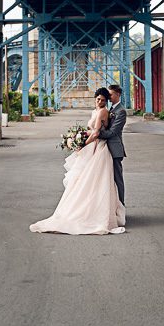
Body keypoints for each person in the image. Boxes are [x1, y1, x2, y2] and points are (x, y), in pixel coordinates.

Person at [29, 88, 126, 235]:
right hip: (95, 145)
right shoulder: (99, 111)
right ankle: (99, 209)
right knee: (88, 179)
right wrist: (78, 136)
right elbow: (92, 129)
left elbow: (104, 132)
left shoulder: (108, 111)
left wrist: (84, 142)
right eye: (98, 99)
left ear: (112, 97)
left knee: (105, 180)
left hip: (102, 147)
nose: (100, 101)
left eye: (104, 99)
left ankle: (116, 209)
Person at [99, 84, 127, 205]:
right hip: (106, 149)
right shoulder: (110, 109)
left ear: (118, 94)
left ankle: (121, 206)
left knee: (117, 179)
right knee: (107, 180)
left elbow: (112, 132)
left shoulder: (121, 111)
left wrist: (96, 133)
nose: (108, 96)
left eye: (110, 94)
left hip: (115, 149)